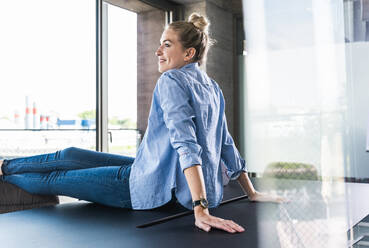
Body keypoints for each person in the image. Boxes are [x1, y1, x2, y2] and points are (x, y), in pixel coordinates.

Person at [0, 13, 284, 234]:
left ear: (189, 54)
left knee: (56, 180)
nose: (158, 50)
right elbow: (226, 144)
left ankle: (3, 172)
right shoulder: (213, 87)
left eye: (167, 44)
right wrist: (252, 192)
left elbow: (189, 145)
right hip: (148, 169)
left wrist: (200, 209)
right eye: (160, 43)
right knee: (70, 155)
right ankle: (4, 165)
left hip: (151, 189)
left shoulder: (172, 80)